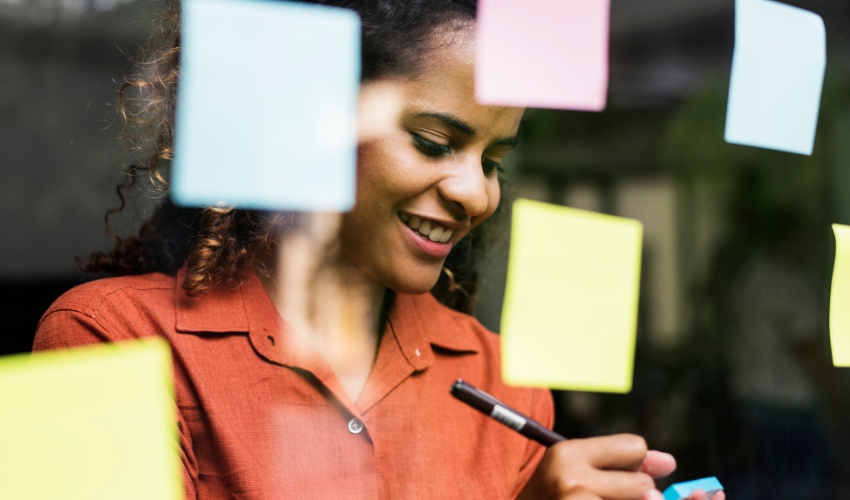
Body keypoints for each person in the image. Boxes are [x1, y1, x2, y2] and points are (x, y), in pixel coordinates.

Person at [33, 1, 721, 499]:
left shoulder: (504, 381)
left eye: (494, 161)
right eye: (434, 142)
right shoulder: (105, 342)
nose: (475, 193)